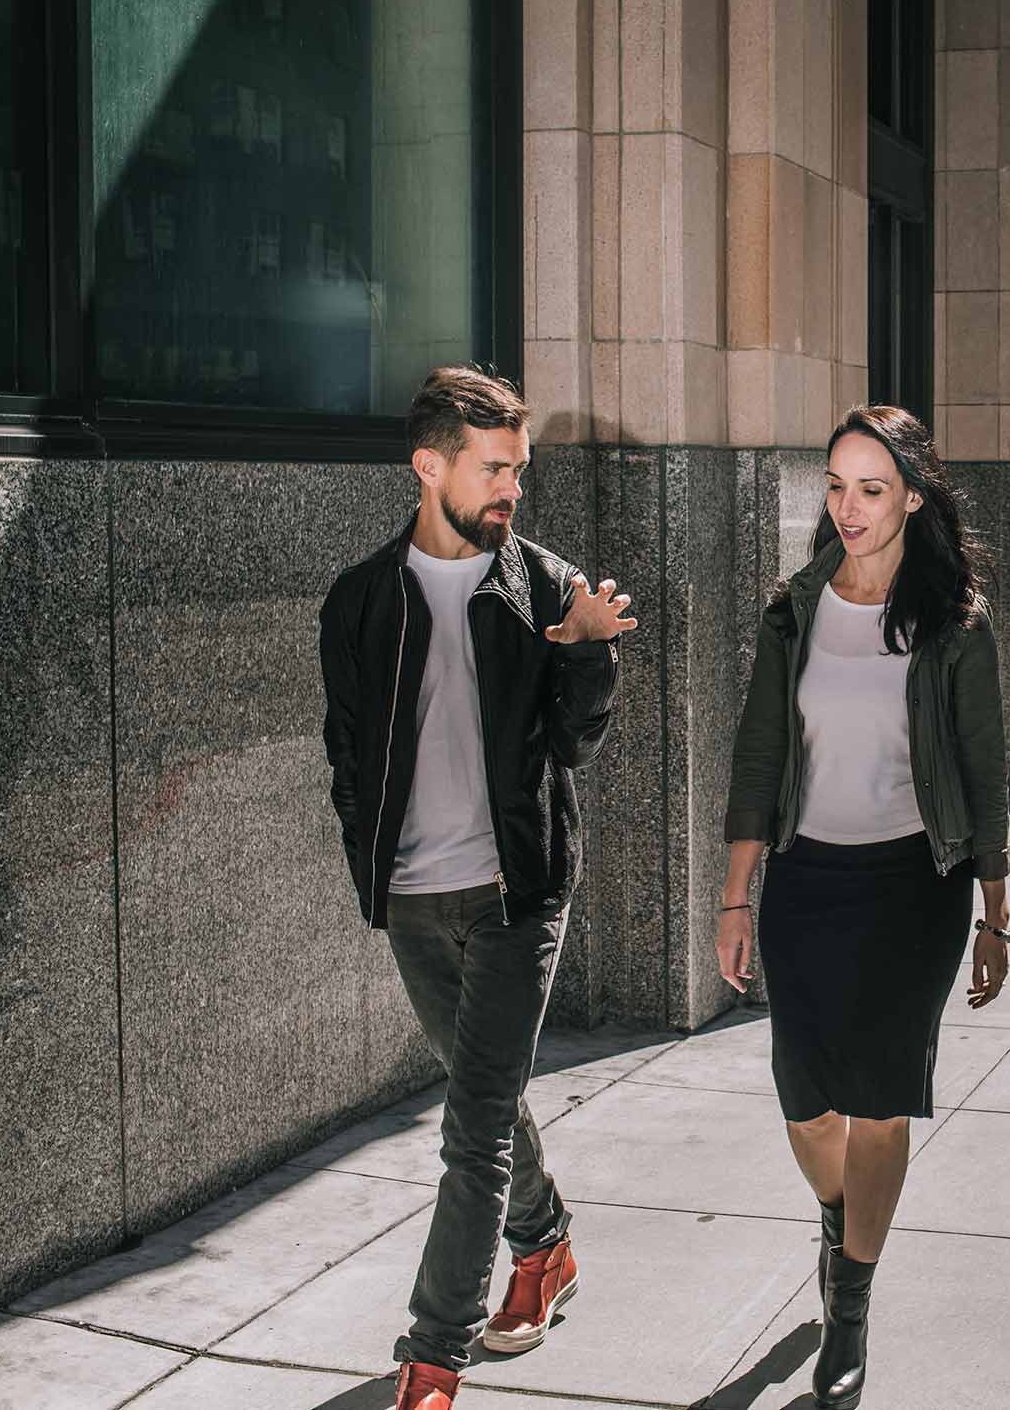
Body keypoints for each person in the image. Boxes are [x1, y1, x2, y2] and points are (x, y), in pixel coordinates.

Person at [318, 367, 634, 1410]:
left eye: (518, 470)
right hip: (412, 896)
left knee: (470, 1132)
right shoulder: (363, 599)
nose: (510, 490)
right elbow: (350, 752)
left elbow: (571, 748)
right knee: (484, 1102)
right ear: (429, 464)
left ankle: (433, 1355)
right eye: (492, 469)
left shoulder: (543, 588)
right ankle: (545, 1247)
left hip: (516, 891)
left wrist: (588, 656)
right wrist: (370, 853)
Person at [716, 405, 1010, 1409]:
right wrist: (732, 896)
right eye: (835, 486)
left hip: (912, 889)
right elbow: (759, 755)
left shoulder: (953, 622)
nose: (847, 507)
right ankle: (847, 1221)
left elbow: (979, 769)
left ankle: (850, 1302)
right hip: (805, 882)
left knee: (881, 1104)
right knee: (807, 1106)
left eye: (871, 488)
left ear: (914, 498)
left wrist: (992, 908)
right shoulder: (793, 608)